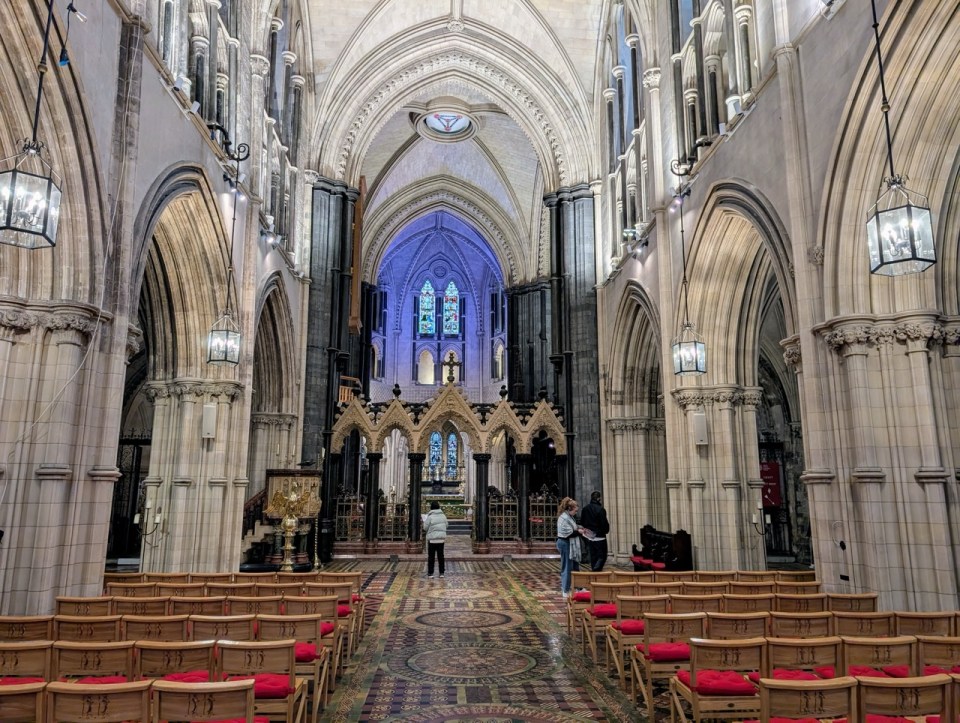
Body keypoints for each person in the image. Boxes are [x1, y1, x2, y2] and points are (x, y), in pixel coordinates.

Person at [556, 497, 584, 597]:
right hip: (565, 543)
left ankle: (579, 587)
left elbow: (573, 526)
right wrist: (578, 532)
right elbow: (568, 533)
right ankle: (565, 589)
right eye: (575, 510)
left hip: (570, 543)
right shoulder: (564, 518)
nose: (576, 513)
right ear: (569, 509)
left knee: (575, 565)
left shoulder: (569, 517)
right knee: (567, 566)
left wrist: (580, 528)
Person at [579, 491, 610, 571]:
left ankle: (594, 571)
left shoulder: (585, 509)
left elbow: (582, 522)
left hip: (588, 537)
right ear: (599, 498)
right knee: (601, 556)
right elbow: (604, 524)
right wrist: (605, 531)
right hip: (599, 537)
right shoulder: (600, 509)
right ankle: (596, 571)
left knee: (593, 556)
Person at [423, 500, 448, 578]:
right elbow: (446, 525)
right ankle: (441, 573)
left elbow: (425, 527)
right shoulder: (443, 516)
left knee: (431, 556)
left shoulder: (430, 517)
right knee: (441, 556)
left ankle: (431, 573)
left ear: (431, 508)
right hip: (441, 539)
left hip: (432, 539)